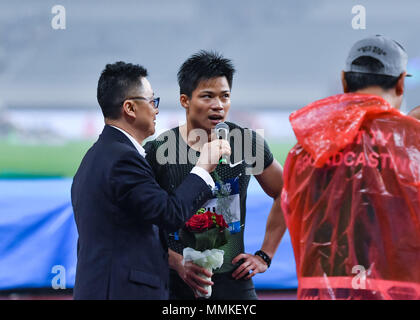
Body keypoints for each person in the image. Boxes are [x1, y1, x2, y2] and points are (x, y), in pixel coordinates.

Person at [71, 61, 230, 300]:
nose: (156, 110)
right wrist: (203, 167)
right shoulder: (123, 159)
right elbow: (168, 213)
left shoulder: (100, 155)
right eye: (152, 102)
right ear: (130, 108)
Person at [281, 35, 420, 300]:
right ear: (401, 82)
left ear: (344, 80)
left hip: (321, 291)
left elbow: (293, 211)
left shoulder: (306, 147)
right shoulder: (414, 143)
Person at [144, 51, 286, 300]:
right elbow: (140, 217)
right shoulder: (160, 150)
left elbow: (286, 193)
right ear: (185, 100)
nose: (218, 105)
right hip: (176, 283)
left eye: (225, 96)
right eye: (207, 96)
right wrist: (175, 261)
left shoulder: (245, 143)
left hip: (234, 283)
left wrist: (265, 255)